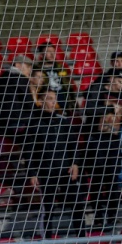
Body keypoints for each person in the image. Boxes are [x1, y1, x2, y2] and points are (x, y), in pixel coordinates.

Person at [24, 84, 84, 233]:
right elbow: (29, 151)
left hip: (66, 170)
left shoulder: (63, 121)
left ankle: (82, 240)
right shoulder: (33, 124)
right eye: (50, 99)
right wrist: (32, 173)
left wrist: (75, 164)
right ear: (41, 101)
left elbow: (73, 144)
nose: (53, 102)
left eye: (54, 99)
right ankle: (47, 241)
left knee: (77, 204)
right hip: (46, 172)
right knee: (48, 208)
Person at [80, 105, 122, 230]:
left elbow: (116, 127)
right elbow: (97, 122)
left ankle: (112, 217)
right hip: (96, 152)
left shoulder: (117, 106)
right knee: (97, 186)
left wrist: (112, 116)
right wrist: (108, 111)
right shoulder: (96, 106)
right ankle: (98, 218)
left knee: (113, 186)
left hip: (112, 152)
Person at [0, 54, 36, 135]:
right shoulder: (20, 78)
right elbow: (28, 102)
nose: (30, 71)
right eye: (28, 67)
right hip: (18, 121)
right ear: (18, 65)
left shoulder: (4, 76)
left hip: (2, 122)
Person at [36, 42, 74, 112]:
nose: (52, 54)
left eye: (53, 51)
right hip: (47, 107)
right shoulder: (37, 70)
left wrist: (73, 103)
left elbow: (68, 86)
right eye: (48, 51)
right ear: (42, 55)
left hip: (65, 105)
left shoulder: (60, 68)